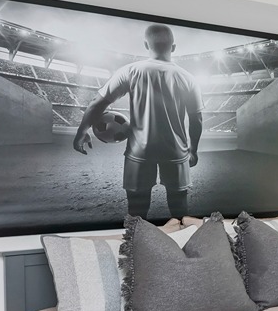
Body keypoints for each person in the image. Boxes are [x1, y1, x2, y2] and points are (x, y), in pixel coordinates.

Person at [73, 24, 202, 220]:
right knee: (181, 211)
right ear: (173, 47)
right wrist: (193, 150)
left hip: (139, 151)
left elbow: (96, 102)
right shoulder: (188, 78)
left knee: (136, 213)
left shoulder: (131, 71)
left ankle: (133, 248)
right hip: (176, 151)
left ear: (145, 44)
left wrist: (82, 130)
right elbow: (196, 119)